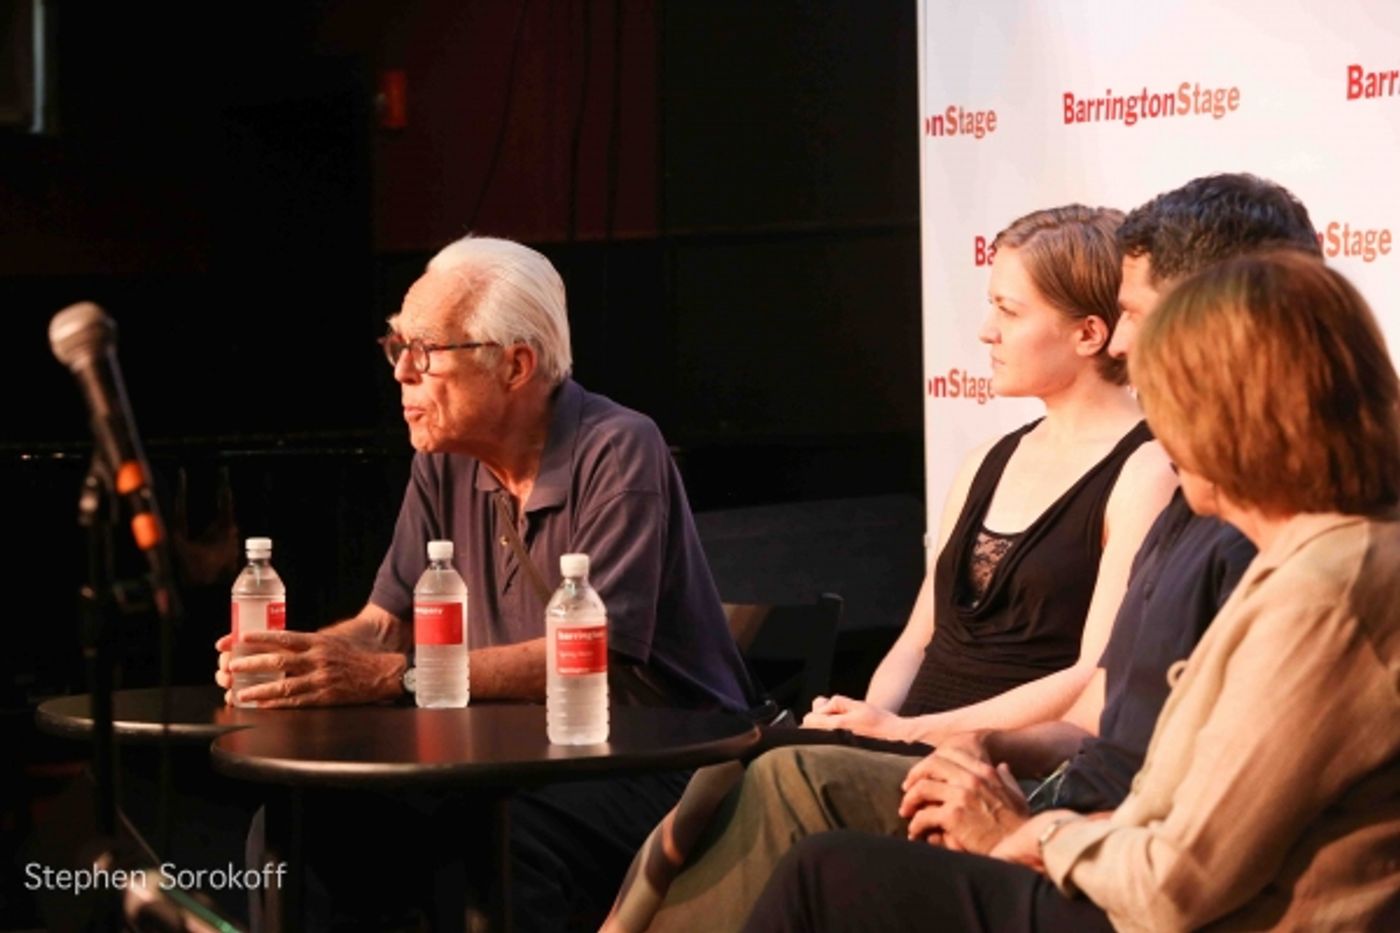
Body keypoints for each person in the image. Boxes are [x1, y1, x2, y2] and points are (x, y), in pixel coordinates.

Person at [744, 249, 1400, 932]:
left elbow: (1175, 883)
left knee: (826, 874)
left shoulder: (1329, 593)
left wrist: (1033, 833)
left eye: (1168, 399)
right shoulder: (1314, 559)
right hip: (1123, 864)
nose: (1161, 436)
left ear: (1230, 415)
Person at [607, 205, 1178, 931]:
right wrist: (870, 721)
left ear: (1089, 333)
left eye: (1007, 309)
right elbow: (916, 639)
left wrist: (912, 732)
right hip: (912, 738)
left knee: (778, 776)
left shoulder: (1146, 468)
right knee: (740, 757)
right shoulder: (989, 459)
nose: (985, 331)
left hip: (998, 767)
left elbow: (1089, 678)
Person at [214, 235, 759, 928]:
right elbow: (383, 622)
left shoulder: (619, 448)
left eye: (428, 351)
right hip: (519, 755)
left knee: (487, 842)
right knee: (292, 824)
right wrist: (291, 664)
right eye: (396, 347)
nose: (402, 372)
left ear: (516, 365)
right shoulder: (444, 459)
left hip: (657, 758)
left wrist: (384, 677)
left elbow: (591, 657)